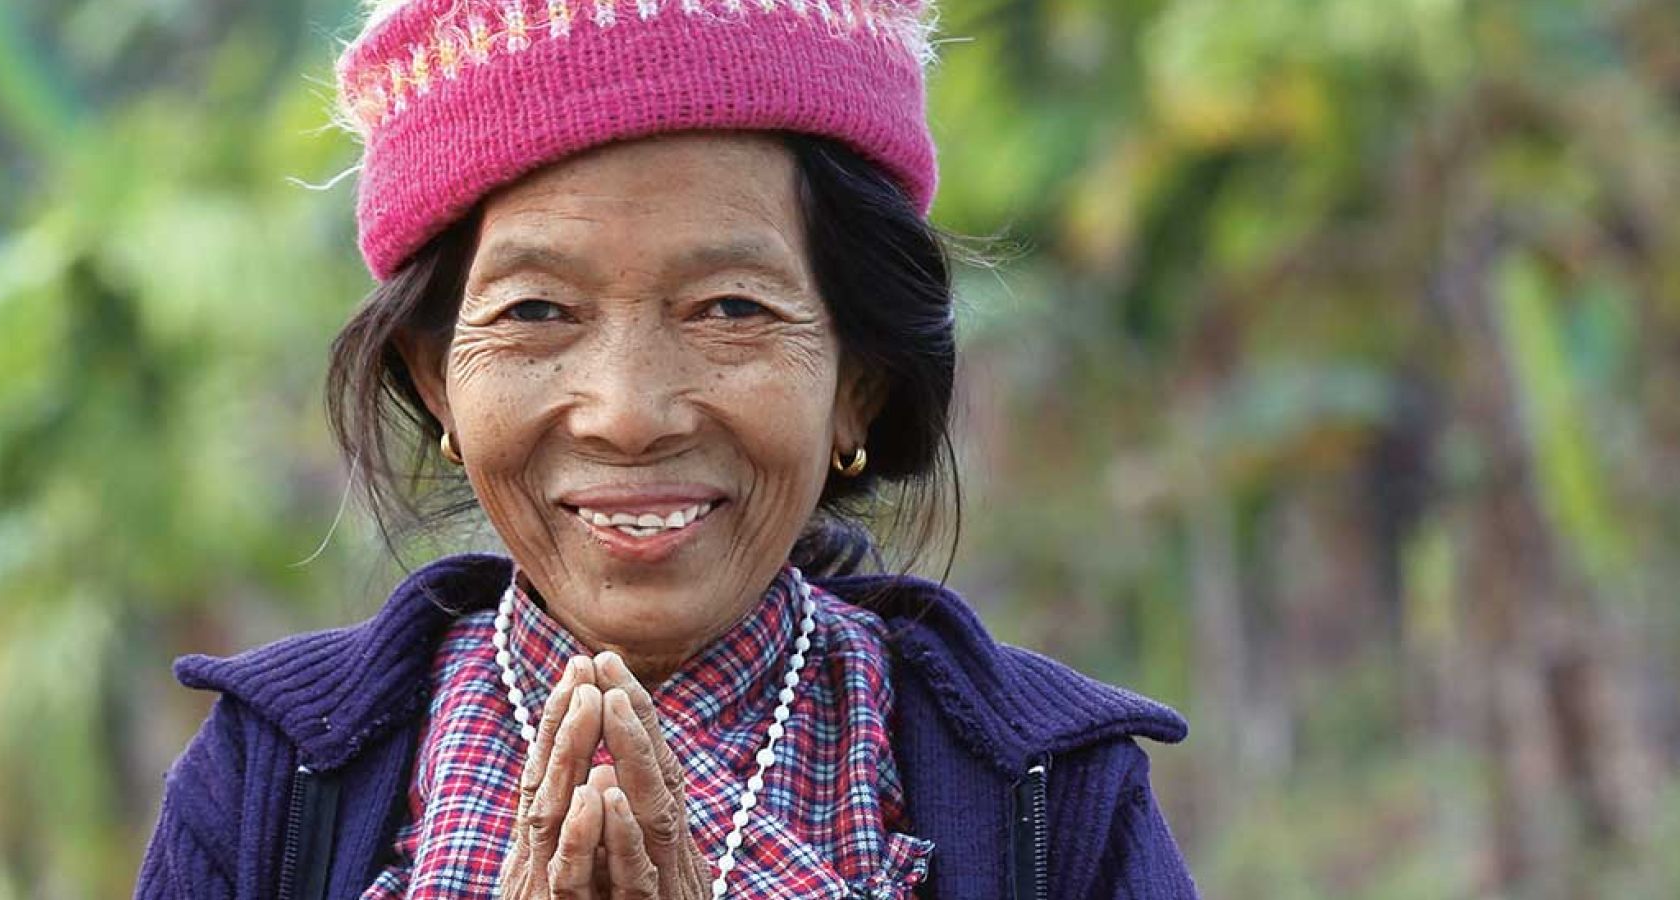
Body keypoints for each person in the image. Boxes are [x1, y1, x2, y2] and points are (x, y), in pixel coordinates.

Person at [135, 1, 1197, 898]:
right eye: (537, 310)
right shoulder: (267, 781)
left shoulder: (1060, 798)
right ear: (436, 381)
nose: (628, 412)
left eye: (730, 308)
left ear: (857, 385)